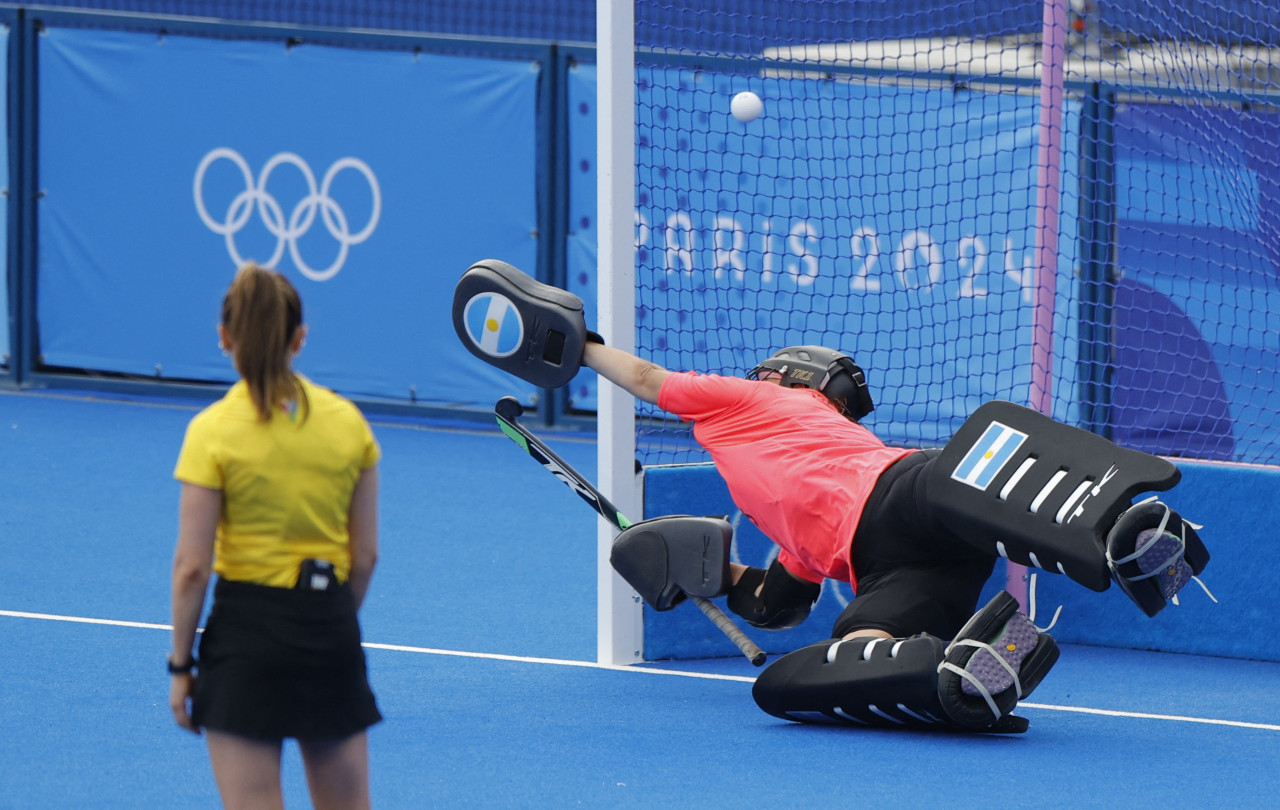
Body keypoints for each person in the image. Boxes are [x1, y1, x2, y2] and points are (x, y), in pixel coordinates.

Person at [168, 263, 382, 807]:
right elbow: (365, 557)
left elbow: (191, 568)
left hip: (245, 640)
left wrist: (181, 665)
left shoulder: (211, 432)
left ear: (224, 337)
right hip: (328, 627)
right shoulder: (348, 423)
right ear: (299, 339)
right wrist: (330, 622)